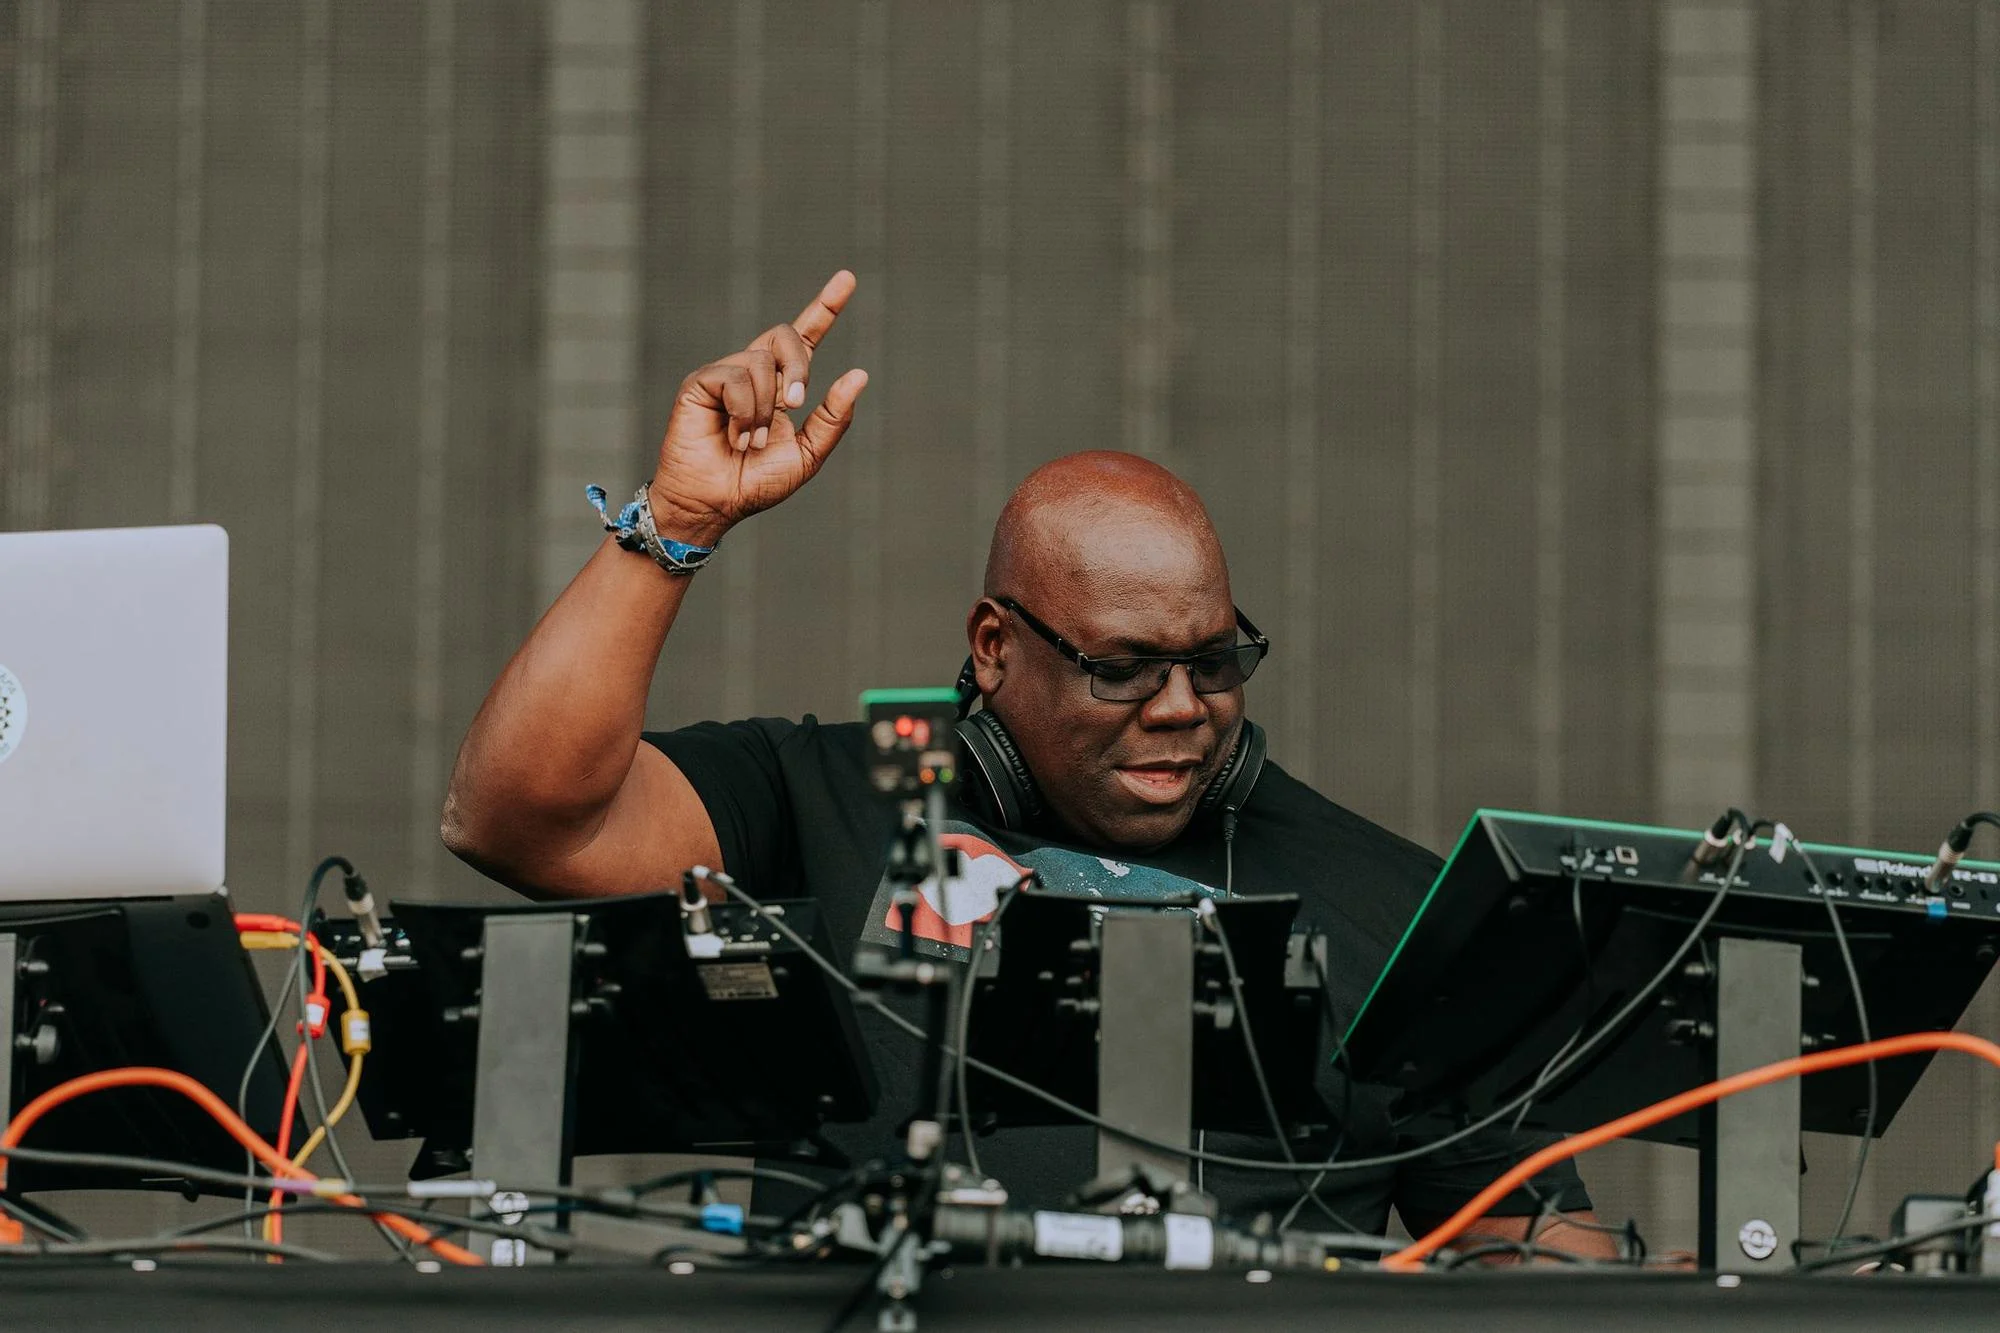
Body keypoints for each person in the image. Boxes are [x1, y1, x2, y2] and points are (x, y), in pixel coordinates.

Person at [441, 270, 1614, 1256]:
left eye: (1213, 662)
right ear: (995, 648)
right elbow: (517, 820)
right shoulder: (828, 801)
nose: (1179, 710)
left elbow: (1529, 1257)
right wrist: (678, 521)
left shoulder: (1398, 910)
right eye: (1122, 667)